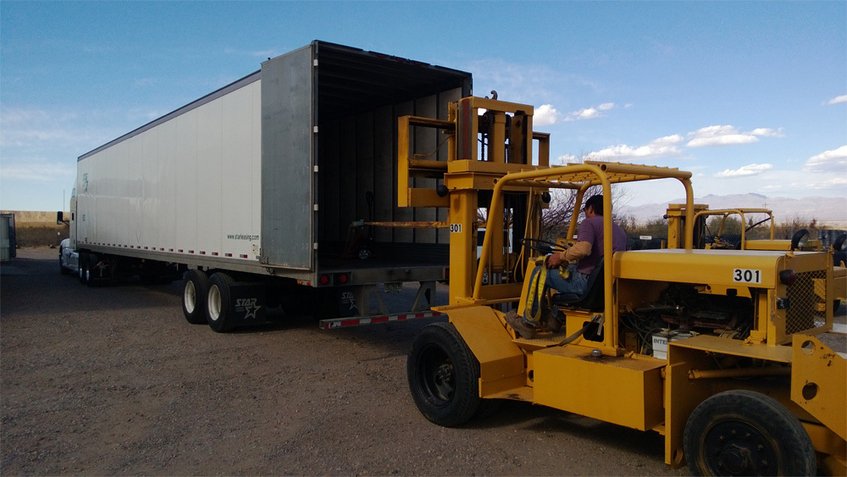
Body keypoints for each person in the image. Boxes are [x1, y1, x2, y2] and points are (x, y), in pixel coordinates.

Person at [507, 194, 627, 337]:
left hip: (585, 283)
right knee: (567, 270)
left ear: (590, 208)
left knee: (539, 271)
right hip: (606, 287)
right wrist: (566, 259)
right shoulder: (618, 230)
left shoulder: (590, 223)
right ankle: (555, 318)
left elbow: (583, 249)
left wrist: (560, 256)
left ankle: (528, 323)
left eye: (585, 209)